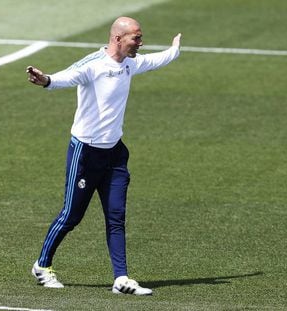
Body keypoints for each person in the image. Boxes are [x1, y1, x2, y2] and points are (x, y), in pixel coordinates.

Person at [26, 16, 181, 295]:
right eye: (137, 37)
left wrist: (174, 50)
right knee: (71, 216)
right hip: (85, 153)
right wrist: (47, 80)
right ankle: (42, 265)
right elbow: (66, 76)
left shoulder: (130, 64)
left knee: (116, 216)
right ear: (118, 39)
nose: (141, 43)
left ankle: (121, 279)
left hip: (115, 155)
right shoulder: (94, 65)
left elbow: (156, 60)